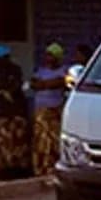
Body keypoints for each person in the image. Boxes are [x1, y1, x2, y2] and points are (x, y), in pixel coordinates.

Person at [0, 46, 30, 179]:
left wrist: (5, 92)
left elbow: (15, 87)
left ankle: (18, 169)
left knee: (17, 141)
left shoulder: (15, 70)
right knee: (5, 142)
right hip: (5, 112)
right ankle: (6, 170)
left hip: (17, 111)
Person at [30, 43, 71, 175]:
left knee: (52, 141)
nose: (47, 58)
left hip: (54, 111)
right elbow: (34, 84)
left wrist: (45, 84)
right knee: (40, 141)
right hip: (40, 111)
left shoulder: (64, 70)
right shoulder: (41, 71)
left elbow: (59, 82)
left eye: (51, 55)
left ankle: (52, 168)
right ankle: (39, 169)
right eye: (47, 55)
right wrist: (46, 84)